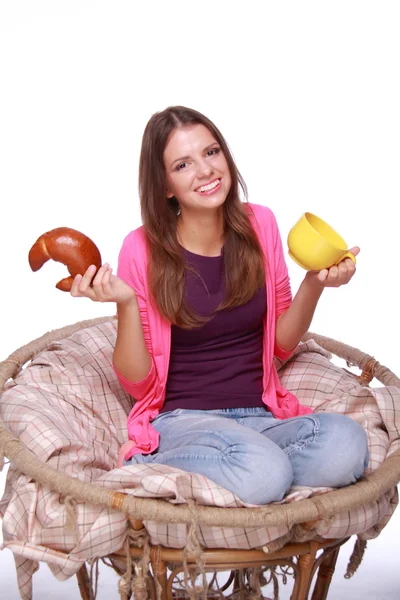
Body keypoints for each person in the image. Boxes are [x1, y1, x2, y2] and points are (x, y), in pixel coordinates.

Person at [70, 106, 369, 505]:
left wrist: (314, 282)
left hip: (261, 419)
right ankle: (153, 461)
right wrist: (125, 303)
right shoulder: (140, 249)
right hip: (182, 421)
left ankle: (255, 473)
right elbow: (138, 384)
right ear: (165, 186)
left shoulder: (260, 225)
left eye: (211, 153)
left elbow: (281, 345)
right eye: (183, 164)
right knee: (264, 471)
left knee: (347, 443)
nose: (206, 170)